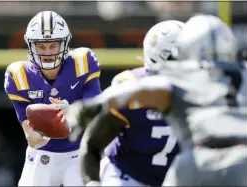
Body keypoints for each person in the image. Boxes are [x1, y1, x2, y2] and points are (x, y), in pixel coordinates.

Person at [63, 14, 247, 186]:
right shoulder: (239, 75)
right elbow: (93, 144)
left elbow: (145, 89)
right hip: (130, 176)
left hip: (194, 168)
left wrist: (98, 104)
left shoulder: (161, 85)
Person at [75, 20, 183, 186]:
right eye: (182, 57)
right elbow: (92, 145)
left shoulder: (203, 92)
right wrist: (92, 183)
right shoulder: (131, 90)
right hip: (128, 177)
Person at [4, 11, 101, 186]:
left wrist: (73, 111)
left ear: (64, 44)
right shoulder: (19, 76)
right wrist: (37, 136)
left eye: (53, 45)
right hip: (41, 155)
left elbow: (96, 110)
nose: (47, 52)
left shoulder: (82, 62)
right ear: (31, 46)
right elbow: (30, 133)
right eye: (42, 46)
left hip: (78, 154)